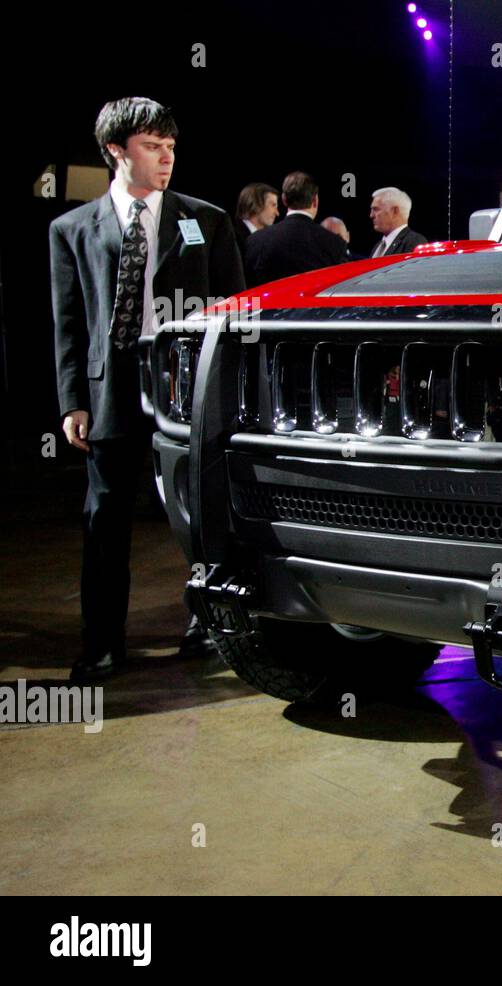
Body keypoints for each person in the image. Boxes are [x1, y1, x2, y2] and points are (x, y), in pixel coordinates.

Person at [49, 97, 244, 682]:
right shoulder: (72, 229)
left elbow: (234, 313)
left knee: (201, 511)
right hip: (110, 390)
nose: (166, 158)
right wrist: (71, 400)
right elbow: (67, 322)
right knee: (104, 517)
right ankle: (104, 643)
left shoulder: (206, 220)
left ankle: (206, 625)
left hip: (185, 386)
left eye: (171, 147)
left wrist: (228, 393)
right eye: (152, 147)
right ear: (116, 151)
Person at [243, 171, 348, 286]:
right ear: (315, 201)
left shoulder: (255, 241)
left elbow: (247, 294)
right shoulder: (335, 244)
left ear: (284, 200)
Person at [368, 186, 427, 257]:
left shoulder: (414, 242)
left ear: (395, 211)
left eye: (376, 209)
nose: (371, 215)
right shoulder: (377, 247)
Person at [233, 182, 278, 255]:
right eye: (273, 205)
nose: (277, 213)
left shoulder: (269, 239)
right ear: (256, 204)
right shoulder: (233, 238)